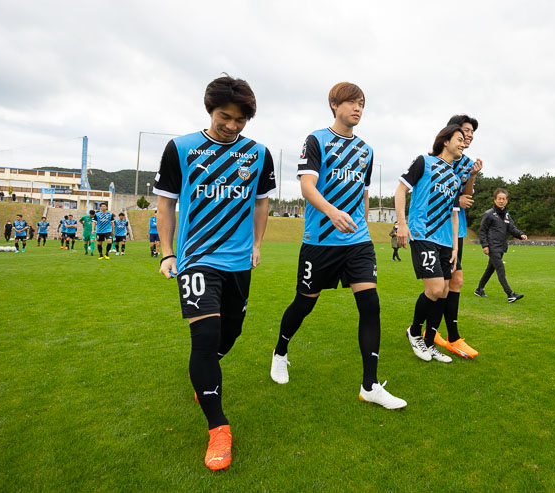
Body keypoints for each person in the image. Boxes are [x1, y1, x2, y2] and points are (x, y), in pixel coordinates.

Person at [155, 74, 276, 471]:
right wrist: (168, 253)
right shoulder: (180, 149)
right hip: (196, 258)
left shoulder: (258, 154)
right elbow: (166, 204)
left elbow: (261, 203)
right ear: (211, 110)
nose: (232, 126)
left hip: (239, 262)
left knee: (231, 333)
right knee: (205, 337)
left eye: (240, 120)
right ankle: (218, 427)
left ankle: (204, 375)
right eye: (225, 117)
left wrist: (257, 245)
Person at [270, 81, 407, 411]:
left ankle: (370, 385)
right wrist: (332, 213)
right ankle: (280, 352)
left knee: (370, 305)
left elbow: (363, 191)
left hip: (357, 242)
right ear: (334, 104)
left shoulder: (366, 150)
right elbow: (307, 187)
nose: (358, 108)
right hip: (320, 242)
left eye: (362, 103)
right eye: (351, 102)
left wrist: (361, 223)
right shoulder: (316, 140)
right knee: (304, 304)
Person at [395, 125, 464, 364]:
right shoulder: (424, 162)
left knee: (444, 291)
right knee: (434, 289)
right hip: (422, 234)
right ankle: (414, 332)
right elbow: (401, 190)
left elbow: (454, 215)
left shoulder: (455, 178)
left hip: (445, 242)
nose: (463, 143)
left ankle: (431, 342)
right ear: (445, 141)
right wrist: (401, 223)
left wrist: (455, 247)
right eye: (459, 139)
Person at [431, 114, 483, 359]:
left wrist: (472, 175)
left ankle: (432, 332)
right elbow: (434, 191)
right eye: (465, 131)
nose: (469, 135)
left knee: (452, 282)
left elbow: (466, 195)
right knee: (444, 284)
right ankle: (444, 335)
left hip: (457, 229)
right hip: (439, 229)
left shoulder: (467, 162)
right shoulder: (438, 160)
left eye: (472, 132)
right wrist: (455, 200)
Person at [474, 188, 528, 302]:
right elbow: (482, 231)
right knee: (500, 269)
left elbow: (511, 228)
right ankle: (510, 294)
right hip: (492, 247)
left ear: (506, 201)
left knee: (490, 270)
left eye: (503, 199)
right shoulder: (489, 214)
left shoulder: (507, 215)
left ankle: (479, 290)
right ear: (495, 200)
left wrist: (520, 234)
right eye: (499, 199)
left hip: (501, 247)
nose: (501, 201)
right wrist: (485, 245)